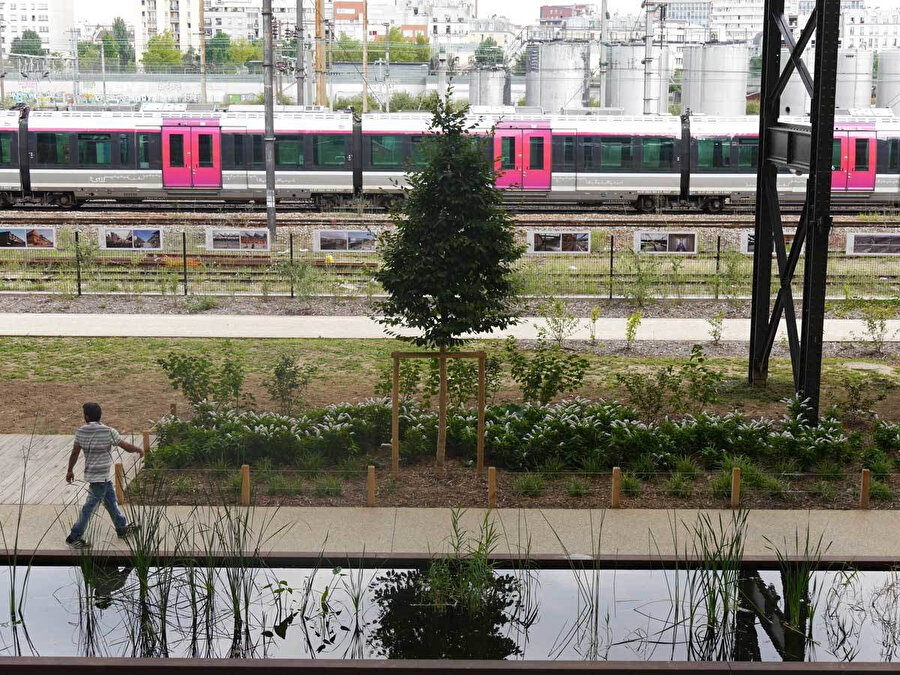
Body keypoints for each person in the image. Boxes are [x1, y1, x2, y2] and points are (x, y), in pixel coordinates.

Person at [65, 402, 144, 549]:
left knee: (110, 501)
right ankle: (73, 537)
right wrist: (138, 449)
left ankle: (121, 528)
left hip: (98, 476)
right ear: (100, 415)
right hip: (101, 477)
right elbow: (124, 446)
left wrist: (70, 470)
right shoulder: (108, 431)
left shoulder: (81, 431)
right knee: (89, 508)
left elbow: (75, 453)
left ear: (86, 416)